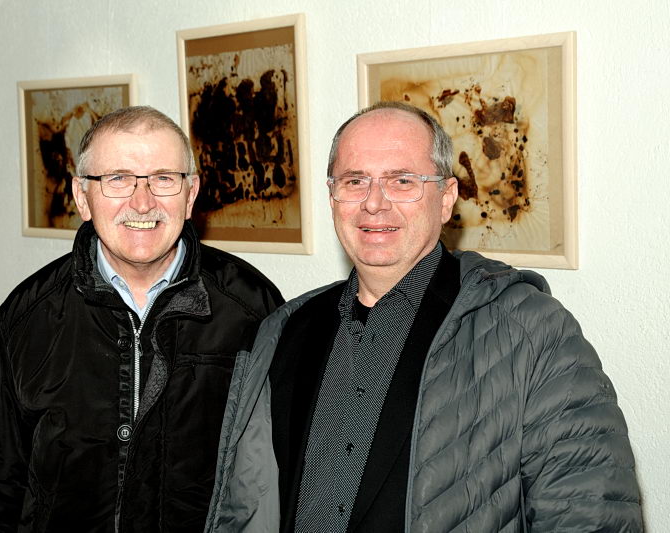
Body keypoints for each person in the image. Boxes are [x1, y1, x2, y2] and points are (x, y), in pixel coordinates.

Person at [204, 101, 643, 532]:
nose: (374, 203)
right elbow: (247, 507)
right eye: (355, 181)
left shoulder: (531, 332)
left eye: (402, 181)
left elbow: (589, 515)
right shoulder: (285, 329)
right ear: (332, 196)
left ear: (446, 198)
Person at [0, 106, 284, 532]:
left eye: (163, 179)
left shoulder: (252, 309)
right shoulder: (27, 317)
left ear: (190, 195)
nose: (142, 202)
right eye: (118, 179)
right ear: (82, 197)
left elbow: (276, 479)